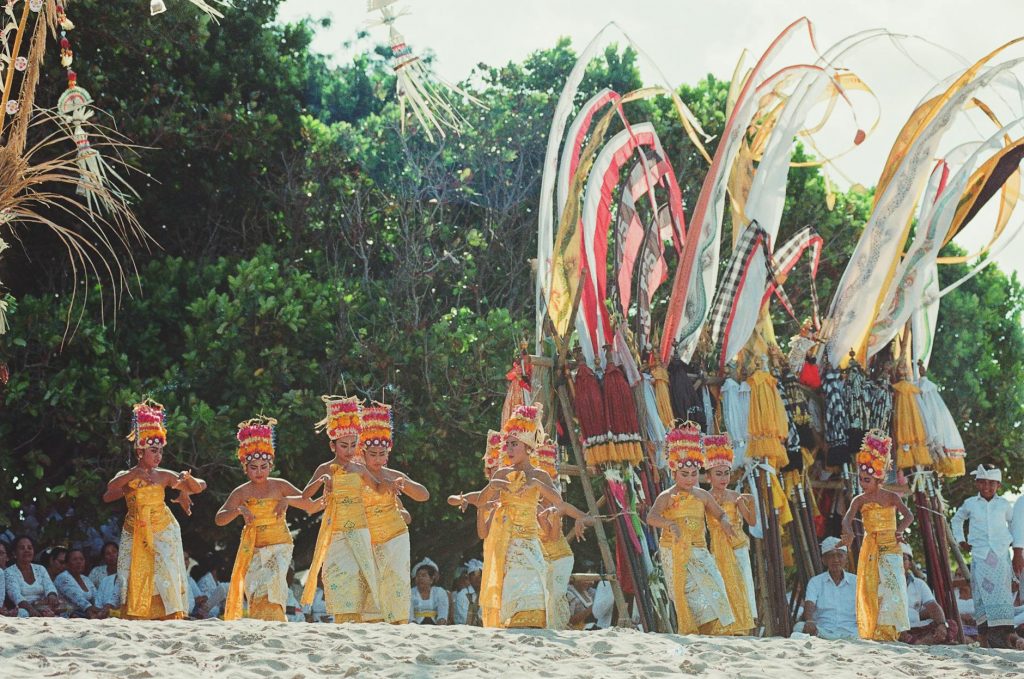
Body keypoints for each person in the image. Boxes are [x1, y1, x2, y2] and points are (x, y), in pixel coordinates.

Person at [475, 404, 596, 629]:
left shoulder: (540, 475)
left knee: (537, 585)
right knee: (515, 585)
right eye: (507, 444)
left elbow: (558, 502)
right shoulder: (502, 473)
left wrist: (537, 485)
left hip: (531, 542)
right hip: (509, 545)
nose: (509, 449)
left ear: (528, 447)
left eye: (514, 444)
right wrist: (492, 486)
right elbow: (482, 502)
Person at [102, 400, 207, 620]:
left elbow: (200, 486)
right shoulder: (127, 476)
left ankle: (167, 614)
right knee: (135, 571)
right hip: (135, 529)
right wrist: (132, 476)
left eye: (160, 451)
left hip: (162, 529)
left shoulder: (163, 475)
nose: (158, 455)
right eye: (153, 451)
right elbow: (108, 494)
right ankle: (139, 612)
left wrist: (188, 481)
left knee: (165, 571)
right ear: (140, 451)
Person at [217, 416, 326, 622]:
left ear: (271, 465)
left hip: (280, 546)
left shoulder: (280, 486)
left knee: (271, 582)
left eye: (263, 466)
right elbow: (219, 519)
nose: (259, 471)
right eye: (253, 467)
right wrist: (238, 510)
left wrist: (293, 499)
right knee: (256, 590)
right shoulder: (241, 492)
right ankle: (265, 625)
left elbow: (311, 506)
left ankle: (275, 623)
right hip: (254, 548)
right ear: (245, 467)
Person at [646, 421, 736, 634]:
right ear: (674, 473)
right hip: (674, 550)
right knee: (685, 593)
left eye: (694, 473)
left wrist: (725, 521)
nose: (690, 479)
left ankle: (712, 630)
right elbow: (651, 517)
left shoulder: (702, 495)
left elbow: (719, 513)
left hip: (699, 550)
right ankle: (692, 631)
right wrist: (669, 524)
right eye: (684, 474)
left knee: (715, 585)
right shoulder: (667, 496)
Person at [301, 395, 382, 623]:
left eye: (353, 445)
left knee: (362, 573)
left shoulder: (360, 466)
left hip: (360, 527)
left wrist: (387, 482)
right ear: (332, 445)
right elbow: (305, 495)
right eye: (343, 446)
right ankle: (342, 618)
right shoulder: (325, 467)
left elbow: (377, 489)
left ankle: (365, 619)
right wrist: (323, 480)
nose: (349, 450)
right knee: (335, 571)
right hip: (335, 529)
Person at [359, 401, 429, 624]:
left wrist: (404, 484)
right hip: (367, 537)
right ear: (363, 453)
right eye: (373, 454)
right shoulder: (355, 475)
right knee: (370, 580)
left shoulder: (392, 474)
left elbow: (424, 495)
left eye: (382, 454)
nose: (378, 459)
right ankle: (372, 621)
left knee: (396, 578)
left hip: (395, 535)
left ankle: (397, 620)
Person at [841, 430, 913, 641]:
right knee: (872, 587)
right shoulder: (859, 500)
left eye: (867, 480)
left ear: (878, 479)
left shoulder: (891, 497)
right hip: (870, 546)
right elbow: (846, 520)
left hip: (891, 545)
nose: (863, 484)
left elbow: (909, 516)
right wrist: (848, 533)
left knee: (893, 586)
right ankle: (874, 630)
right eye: (861, 479)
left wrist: (899, 530)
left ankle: (890, 631)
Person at [952, 464, 1016, 646]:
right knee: (983, 592)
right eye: (982, 482)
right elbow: (956, 520)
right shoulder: (970, 503)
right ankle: (985, 637)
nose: (987, 486)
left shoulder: (1004, 505)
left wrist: (1012, 541)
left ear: (998, 485)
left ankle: (1003, 636)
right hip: (980, 556)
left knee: (1002, 593)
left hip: (1000, 555)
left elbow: (1014, 523)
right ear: (977, 484)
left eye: (991, 483)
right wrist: (961, 540)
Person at [702, 433, 756, 635]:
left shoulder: (735, 496)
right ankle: (723, 625)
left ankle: (741, 625)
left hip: (737, 546)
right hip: (716, 548)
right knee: (720, 584)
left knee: (742, 583)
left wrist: (752, 503)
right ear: (708, 476)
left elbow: (752, 521)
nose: (724, 478)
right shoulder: (704, 498)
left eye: (726, 473)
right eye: (718, 474)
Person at [535, 436, 573, 630]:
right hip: (541, 559)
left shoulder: (556, 505)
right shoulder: (529, 505)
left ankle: (559, 627)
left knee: (556, 594)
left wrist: (553, 518)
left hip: (561, 557)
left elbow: (553, 536)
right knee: (544, 596)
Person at [801, 537, 858, 640]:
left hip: (852, 632)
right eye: (831, 556)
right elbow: (809, 603)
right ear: (824, 560)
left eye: (839, 555)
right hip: (823, 631)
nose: (836, 560)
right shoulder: (815, 582)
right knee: (799, 627)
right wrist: (809, 621)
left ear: (846, 558)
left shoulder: (857, 581)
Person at [898, 544, 954, 644]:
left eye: (903, 558)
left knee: (950, 625)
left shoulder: (919, 584)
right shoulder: (883, 583)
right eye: (895, 557)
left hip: (915, 626)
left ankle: (919, 641)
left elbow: (933, 606)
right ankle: (919, 641)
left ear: (910, 564)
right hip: (895, 627)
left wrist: (941, 624)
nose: (898, 561)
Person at [4, 535, 58, 617]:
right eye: (22, 548)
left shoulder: (40, 569)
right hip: (24, 609)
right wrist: (31, 609)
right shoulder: (9, 572)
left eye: (29, 548)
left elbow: (50, 587)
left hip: (43, 606)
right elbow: (16, 596)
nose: (26, 550)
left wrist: (52, 597)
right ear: (14, 553)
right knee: (22, 613)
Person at [55, 548, 104, 619]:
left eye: (81, 559)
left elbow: (96, 596)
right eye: (74, 559)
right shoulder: (63, 577)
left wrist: (101, 609)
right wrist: (90, 608)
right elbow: (76, 598)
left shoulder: (86, 579)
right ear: (67, 564)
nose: (79, 562)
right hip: (66, 616)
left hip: (84, 613)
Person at [409, 558, 449, 624]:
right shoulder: (410, 593)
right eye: (418, 576)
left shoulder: (440, 592)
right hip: (415, 626)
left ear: (431, 579)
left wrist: (440, 623)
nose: (420, 578)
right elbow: (410, 615)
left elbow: (443, 614)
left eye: (423, 575)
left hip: (436, 626)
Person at [453, 559, 483, 625]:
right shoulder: (462, 595)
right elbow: (466, 620)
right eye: (474, 575)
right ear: (469, 577)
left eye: (480, 575)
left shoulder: (488, 594)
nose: (477, 578)